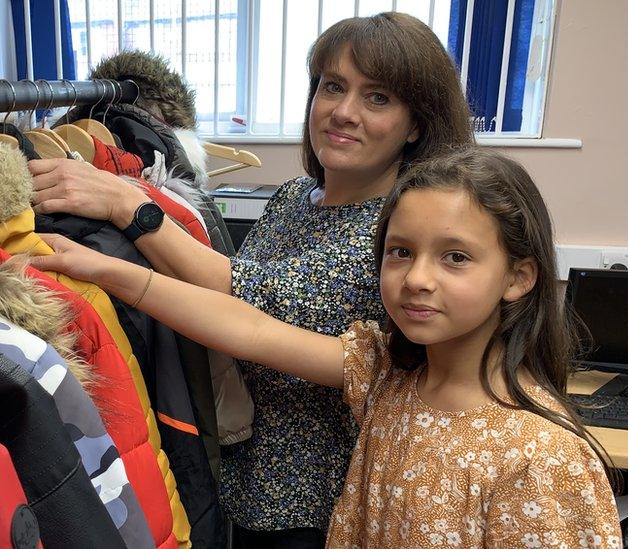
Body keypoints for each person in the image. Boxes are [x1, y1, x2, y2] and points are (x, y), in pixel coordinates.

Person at [28, 146, 623, 547]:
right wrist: (111, 272)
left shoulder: (542, 461)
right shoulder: (387, 374)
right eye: (400, 251)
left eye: (456, 257)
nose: (418, 278)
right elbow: (248, 328)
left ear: (518, 277)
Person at [29, 12, 474, 546]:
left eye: (377, 98)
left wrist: (132, 208)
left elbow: (251, 301)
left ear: (417, 123)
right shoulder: (291, 198)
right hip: (238, 483)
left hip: (321, 511)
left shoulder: (401, 230)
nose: (343, 112)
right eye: (333, 87)